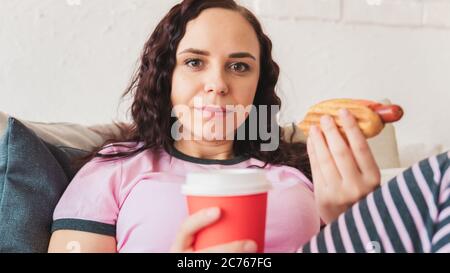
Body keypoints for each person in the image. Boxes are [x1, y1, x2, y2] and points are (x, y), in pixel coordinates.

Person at [47, 0, 449, 253]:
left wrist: (355, 218)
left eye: (239, 66)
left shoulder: (304, 173)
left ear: (258, 84)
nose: (218, 83)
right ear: (166, 76)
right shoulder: (115, 169)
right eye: (194, 62)